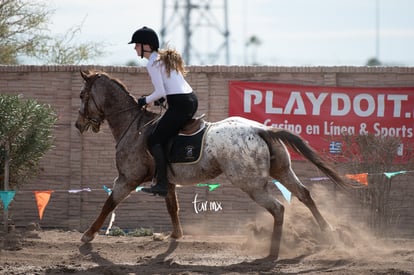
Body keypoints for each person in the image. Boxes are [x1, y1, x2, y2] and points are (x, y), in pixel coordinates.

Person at [128, 26, 198, 197]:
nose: (134, 47)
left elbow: (160, 92)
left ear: (146, 46)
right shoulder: (161, 59)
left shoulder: (153, 63)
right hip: (188, 100)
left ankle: (162, 184)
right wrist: (159, 99)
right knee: (161, 133)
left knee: (154, 139)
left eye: (137, 44)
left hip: (180, 104)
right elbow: (167, 89)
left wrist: (143, 101)